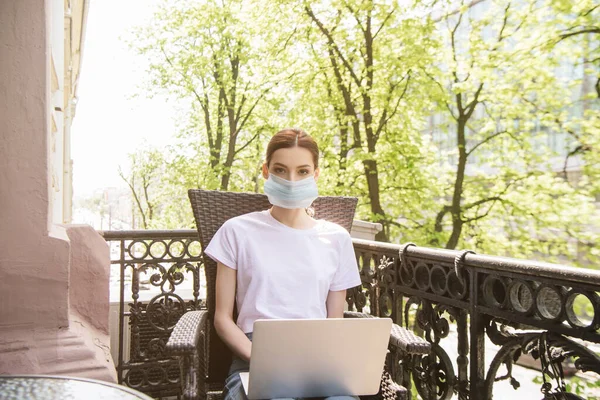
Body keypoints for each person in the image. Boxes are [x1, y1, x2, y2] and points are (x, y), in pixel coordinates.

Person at [204, 128, 362, 400]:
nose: (291, 180)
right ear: (265, 171)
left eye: (302, 171)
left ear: (315, 174)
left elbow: (334, 324)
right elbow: (222, 319)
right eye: (280, 170)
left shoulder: (337, 238)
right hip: (254, 355)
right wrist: (268, 362)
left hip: (318, 359)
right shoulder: (236, 231)